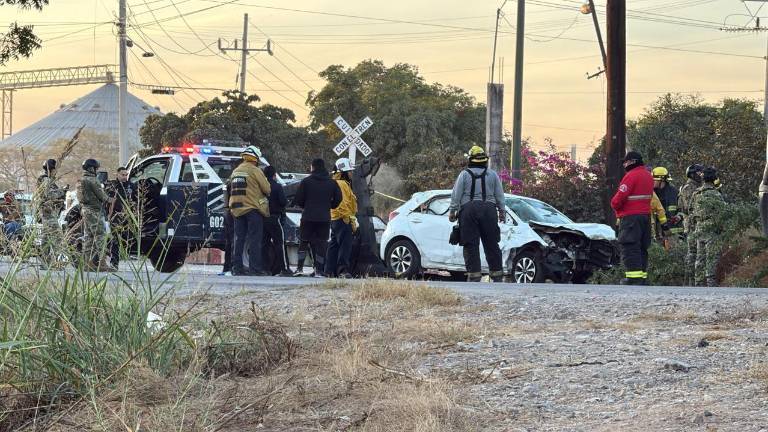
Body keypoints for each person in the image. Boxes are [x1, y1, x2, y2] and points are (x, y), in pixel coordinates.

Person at [448, 145, 506, 283]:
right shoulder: (493, 175)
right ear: (484, 160)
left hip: (468, 211)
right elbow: (500, 195)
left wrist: (452, 211)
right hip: (489, 211)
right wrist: (502, 211)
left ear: (470, 159)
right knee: (491, 243)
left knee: (470, 244)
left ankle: (474, 276)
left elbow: (456, 194)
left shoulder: (464, 174)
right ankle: (497, 275)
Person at [292, 158, 342, 277]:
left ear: (313, 167)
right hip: (324, 218)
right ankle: (319, 270)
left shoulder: (306, 181)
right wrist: (330, 205)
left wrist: (306, 206)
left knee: (304, 241)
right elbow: (339, 198)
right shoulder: (332, 182)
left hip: (308, 216)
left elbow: (298, 199)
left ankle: (299, 268)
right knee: (321, 243)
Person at [611, 151, 654, 285]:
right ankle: (642, 277)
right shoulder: (648, 176)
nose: (624, 164)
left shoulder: (631, 176)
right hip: (645, 216)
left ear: (633, 162)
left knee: (629, 245)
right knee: (642, 247)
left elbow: (619, 198)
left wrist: (615, 205)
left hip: (631, 217)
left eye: (626, 162)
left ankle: (633, 277)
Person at [228, 145, 271, 276]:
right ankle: (255, 269)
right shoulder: (255, 170)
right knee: (255, 240)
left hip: (236, 209)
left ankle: (237, 269)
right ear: (256, 159)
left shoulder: (236, 171)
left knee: (239, 239)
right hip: (252, 209)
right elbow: (267, 189)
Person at [77, 158, 115, 272]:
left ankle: (87, 263)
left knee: (89, 237)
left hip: (85, 210)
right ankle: (102, 263)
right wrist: (112, 199)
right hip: (94, 211)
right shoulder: (93, 180)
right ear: (91, 168)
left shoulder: (80, 180)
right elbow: (102, 196)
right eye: (96, 168)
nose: (97, 170)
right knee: (100, 236)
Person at [691, 167, 726, 287]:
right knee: (711, 255)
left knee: (700, 257)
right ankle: (711, 282)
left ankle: (698, 282)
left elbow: (690, 210)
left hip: (699, 227)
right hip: (712, 228)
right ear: (714, 178)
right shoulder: (716, 194)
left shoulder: (696, 193)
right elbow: (723, 212)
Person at [325, 158, 358, 278]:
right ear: (343, 172)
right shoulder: (342, 184)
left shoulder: (336, 183)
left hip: (336, 219)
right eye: (350, 171)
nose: (351, 173)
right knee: (345, 246)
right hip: (343, 219)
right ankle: (342, 271)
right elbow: (343, 204)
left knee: (334, 246)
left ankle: (329, 271)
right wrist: (349, 218)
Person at [34, 159, 67, 267]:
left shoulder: (46, 179)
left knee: (46, 237)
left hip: (48, 213)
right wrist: (62, 191)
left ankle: (46, 262)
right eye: (55, 169)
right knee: (57, 237)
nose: (56, 172)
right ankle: (53, 262)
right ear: (52, 169)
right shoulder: (46, 180)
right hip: (48, 213)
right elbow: (49, 195)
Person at [262, 165, 292, 276]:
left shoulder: (261, 186)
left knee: (264, 244)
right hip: (275, 218)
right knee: (279, 244)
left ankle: (265, 269)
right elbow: (283, 201)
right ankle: (284, 269)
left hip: (263, 218)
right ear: (274, 175)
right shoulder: (277, 186)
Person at [678, 163, 704, 284]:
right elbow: (690, 208)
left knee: (697, 253)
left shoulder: (697, 187)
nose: (701, 175)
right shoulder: (689, 188)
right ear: (693, 174)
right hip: (691, 225)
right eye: (699, 173)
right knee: (693, 253)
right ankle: (689, 281)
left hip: (696, 224)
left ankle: (695, 280)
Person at [105, 166, 134, 268]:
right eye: (122, 175)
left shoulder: (131, 186)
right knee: (115, 240)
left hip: (128, 216)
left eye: (126, 175)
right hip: (115, 216)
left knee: (127, 238)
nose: (125, 177)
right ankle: (114, 262)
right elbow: (106, 200)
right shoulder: (112, 185)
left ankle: (126, 255)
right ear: (117, 174)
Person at [652, 166, 682, 243]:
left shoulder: (674, 192)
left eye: (654, 179)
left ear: (662, 180)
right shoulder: (651, 193)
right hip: (657, 233)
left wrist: (678, 216)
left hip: (672, 234)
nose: (652, 181)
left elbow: (682, 209)